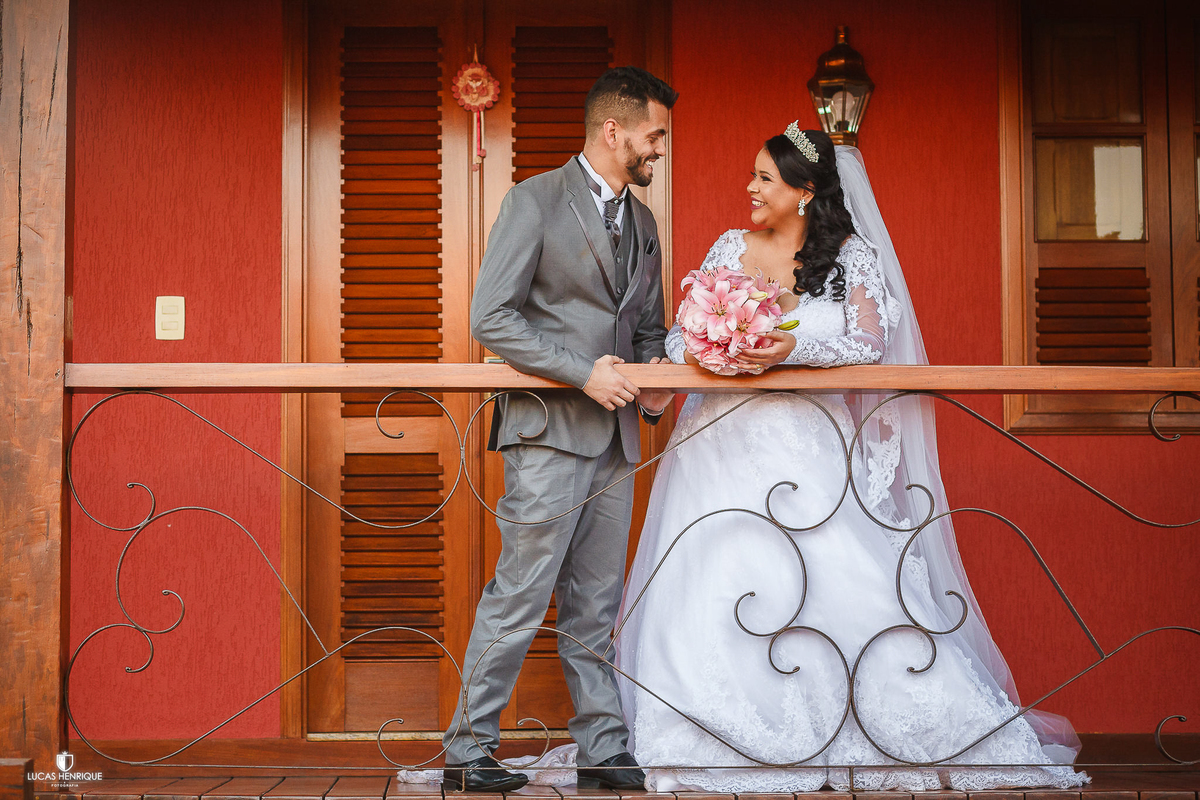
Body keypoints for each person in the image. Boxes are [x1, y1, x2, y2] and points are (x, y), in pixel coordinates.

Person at [610, 126, 1090, 792]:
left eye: (765, 178)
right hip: (719, 442)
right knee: (712, 577)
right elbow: (684, 332)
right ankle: (705, 732)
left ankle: (869, 725)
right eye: (753, 175)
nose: (750, 188)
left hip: (810, 446)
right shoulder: (729, 247)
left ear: (805, 192)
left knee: (838, 576)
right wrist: (700, 346)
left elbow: (868, 343)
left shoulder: (852, 256)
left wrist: (788, 349)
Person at [441, 66, 678, 793]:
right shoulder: (534, 200)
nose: (659, 149)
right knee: (521, 590)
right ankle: (467, 753)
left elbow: (648, 328)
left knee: (596, 603)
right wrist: (583, 373)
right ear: (614, 131)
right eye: (653, 135)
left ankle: (602, 751)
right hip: (546, 434)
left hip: (617, 438)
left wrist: (655, 382)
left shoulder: (645, 225)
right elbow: (491, 317)